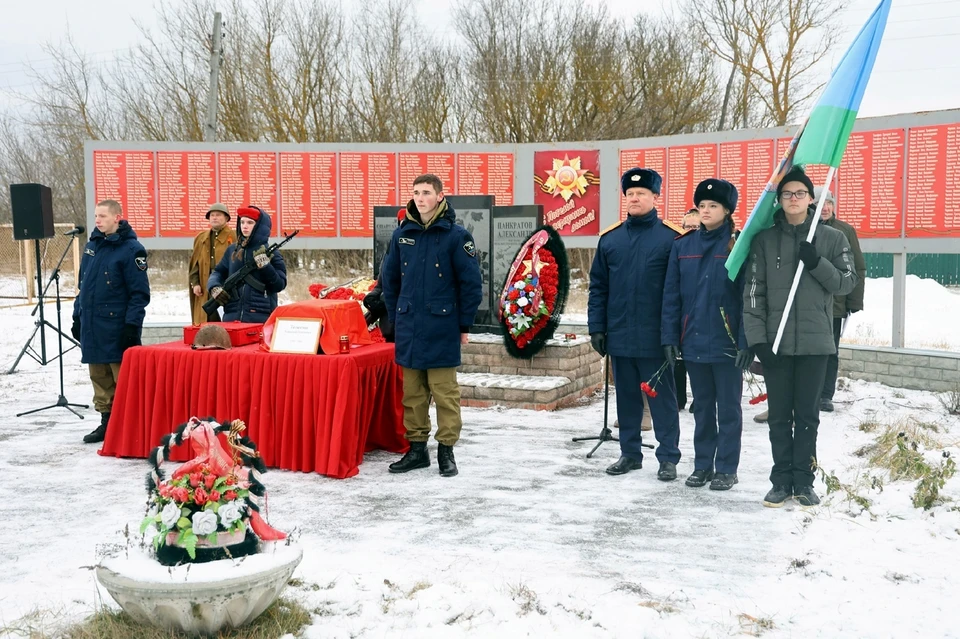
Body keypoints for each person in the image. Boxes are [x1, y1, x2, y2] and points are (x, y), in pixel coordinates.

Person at [742, 168, 858, 508]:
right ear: (778, 200)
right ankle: (780, 481)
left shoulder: (832, 238)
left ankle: (803, 482)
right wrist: (759, 341)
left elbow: (846, 282)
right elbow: (753, 294)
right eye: (787, 194)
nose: (793, 199)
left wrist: (817, 262)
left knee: (807, 416)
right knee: (779, 416)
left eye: (800, 193)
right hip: (775, 344)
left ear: (812, 199)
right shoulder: (763, 241)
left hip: (815, 343)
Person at [381, 174, 483, 477]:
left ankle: (446, 450)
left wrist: (464, 324)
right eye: (416, 192)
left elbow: (471, 284)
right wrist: (395, 319)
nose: (420, 198)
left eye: (426, 192)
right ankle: (417, 450)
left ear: (440, 196)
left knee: (444, 393)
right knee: (412, 393)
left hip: (442, 326)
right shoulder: (402, 235)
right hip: (410, 325)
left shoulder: (456, 236)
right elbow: (390, 280)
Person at [588, 167, 683, 479]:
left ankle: (668, 457)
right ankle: (630, 454)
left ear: (656, 197)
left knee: (663, 400)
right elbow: (598, 287)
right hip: (619, 334)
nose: (635, 198)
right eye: (630, 194)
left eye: (641, 193)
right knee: (626, 397)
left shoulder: (671, 239)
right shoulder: (610, 239)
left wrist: (672, 335)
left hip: (656, 338)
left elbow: (677, 293)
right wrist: (597, 328)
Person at [662, 179, 751, 491]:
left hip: (726, 344)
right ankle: (703, 465)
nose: (706, 211)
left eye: (713, 206)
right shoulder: (682, 246)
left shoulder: (738, 245)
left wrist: (745, 341)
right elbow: (671, 297)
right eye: (702, 206)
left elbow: (746, 298)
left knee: (728, 410)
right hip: (694, 340)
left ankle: (727, 467)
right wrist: (670, 338)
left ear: (726, 210)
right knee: (702, 408)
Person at [71, 199, 150, 444]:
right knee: (99, 377)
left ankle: (130, 427)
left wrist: (132, 325)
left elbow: (139, 293)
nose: (97, 220)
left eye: (103, 216)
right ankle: (106, 422)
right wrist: (77, 316)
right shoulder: (92, 246)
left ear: (117, 217)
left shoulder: (132, 249)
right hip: (93, 324)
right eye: (96, 216)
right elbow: (83, 286)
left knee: (123, 379)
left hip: (116, 326)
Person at [815, 188, 866, 412]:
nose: (825, 207)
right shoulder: (804, 230)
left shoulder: (845, 231)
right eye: (820, 203)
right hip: (808, 304)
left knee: (829, 350)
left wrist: (854, 301)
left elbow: (857, 267)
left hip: (835, 304)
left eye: (829, 203)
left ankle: (826, 394)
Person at [208, 206, 287, 323]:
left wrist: (266, 266)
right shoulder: (232, 251)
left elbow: (280, 284)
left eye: (250, 222)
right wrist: (214, 287)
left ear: (260, 226)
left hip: (261, 316)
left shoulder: (271, 252)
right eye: (242, 222)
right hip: (231, 315)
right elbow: (218, 272)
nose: (244, 226)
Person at [363, 209, 408, 343]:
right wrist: (374, 296)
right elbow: (383, 281)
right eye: (403, 223)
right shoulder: (391, 249)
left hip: (408, 320)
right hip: (390, 323)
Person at [674, 208, 702, 413]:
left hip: (700, 311)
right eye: (688, 226)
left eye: (696, 226)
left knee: (696, 360)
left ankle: (699, 398)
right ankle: (678, 398)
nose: (691, 230)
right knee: (677, 361)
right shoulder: (677, 247)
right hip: (680, 310)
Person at [188, 203, 236, 324]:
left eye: (218, 215)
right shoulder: (201, 238)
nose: (214, 217)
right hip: (205, 288)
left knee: (226, 323)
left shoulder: (235, 236)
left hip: (226, 287)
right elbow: (195, 264)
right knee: (206, 323)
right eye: (212, 215)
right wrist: (195, 283)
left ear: (226, 218)